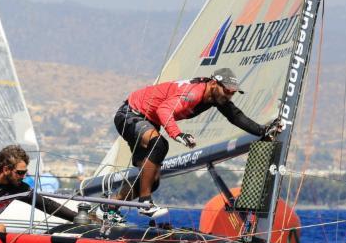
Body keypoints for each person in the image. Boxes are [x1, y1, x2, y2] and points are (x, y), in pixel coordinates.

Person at [112, 67, 280, 215]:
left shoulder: (215, 97)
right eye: (227, 91)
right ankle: (145, 203)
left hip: (148, 120)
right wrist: (179, 134)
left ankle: (108, 208)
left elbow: (235, 116)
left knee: (151, 180)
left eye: (233, 92)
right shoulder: (194, 93)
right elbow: (164, 110)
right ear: (214, 83)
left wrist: (263, 131)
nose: (229, 95)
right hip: (130, 114)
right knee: (159, 145)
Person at [0, 144, 77, 232]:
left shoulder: (19, 188)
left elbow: (47, 205)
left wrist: (76, 217)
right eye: (20, 173)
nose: (23, 176)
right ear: (6, 170)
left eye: (25, 172)